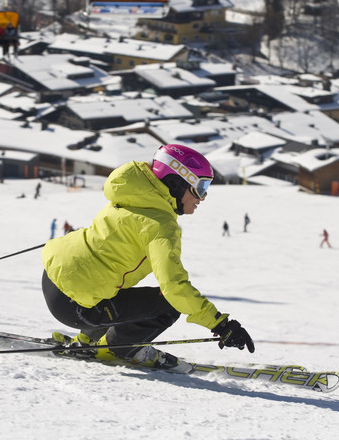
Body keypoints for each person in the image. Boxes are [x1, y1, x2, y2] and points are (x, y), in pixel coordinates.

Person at [41, 144, 254, 371]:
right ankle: (117, 349)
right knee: (168, 305)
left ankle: (89, 340)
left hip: (53, 278)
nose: (202, 197)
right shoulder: (161, 226)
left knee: (113, 291)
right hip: (76, 306)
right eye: (200, 187)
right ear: (178, 182)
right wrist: (221, 325)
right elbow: (174, 287)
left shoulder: (132, 193)